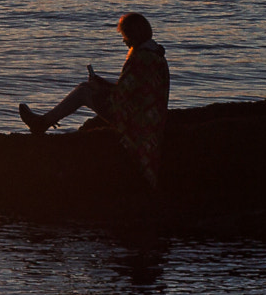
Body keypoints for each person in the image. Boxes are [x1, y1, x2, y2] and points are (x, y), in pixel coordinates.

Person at [17, 12, 170, 188]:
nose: (124, 41)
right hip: (147, 113)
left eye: (125, 36)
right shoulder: (154, 53)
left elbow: (122, 95)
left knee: (83, 92)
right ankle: (43, 121)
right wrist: (103, 84)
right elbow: (132, 88)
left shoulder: (141, 58)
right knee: (86, 87)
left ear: (134, 35)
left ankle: (42, 123)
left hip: (135, 119)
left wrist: (100, 89)